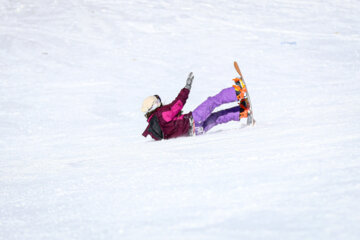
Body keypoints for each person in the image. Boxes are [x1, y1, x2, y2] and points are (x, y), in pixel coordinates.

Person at [141, 72, 249, 140]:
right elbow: (178, 104)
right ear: (154, 105)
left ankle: (242, 111)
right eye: (158, 101)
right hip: (193, 120)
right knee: (213, 101)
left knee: (217, 118)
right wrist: (186, 88)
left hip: (195, 132)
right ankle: (238, 91)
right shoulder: (161, 115)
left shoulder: (154, 129)